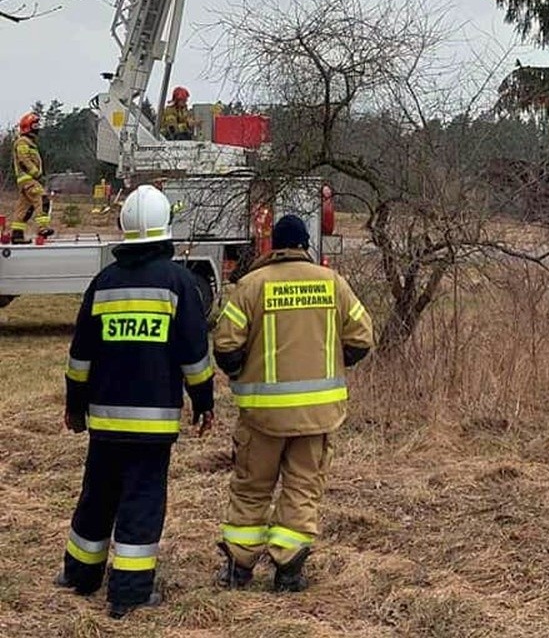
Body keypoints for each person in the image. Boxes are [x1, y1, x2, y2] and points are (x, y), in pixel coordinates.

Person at [56, 184, 215, 620]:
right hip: (153, 428)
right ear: (165, 227)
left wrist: (74, 406)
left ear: (124, 228)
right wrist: (204, 402)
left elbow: (79, 357)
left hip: (105, 423)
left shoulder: (103, 284)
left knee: (97, 496)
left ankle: (79, 575)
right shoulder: (179, 283)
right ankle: (128, 592)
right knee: (141, 504)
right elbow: (194, 356)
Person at [213, 213, 373, 592]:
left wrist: (241, 372)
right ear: (305, 246)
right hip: (318, 417)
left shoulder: (251, 286)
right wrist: (336, 360)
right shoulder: (332, 283)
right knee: (302, 491)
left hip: (261, 418)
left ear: (274, 246)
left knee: (252, 490)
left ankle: (239, 571)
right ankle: (288, 573)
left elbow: (225, 345)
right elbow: (362, 337)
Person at [11, 110, 53, 243]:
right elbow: (24, 160)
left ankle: (17, 236)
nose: (37, 129)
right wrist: (36, 173)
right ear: (27, 127)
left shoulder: (29, 142)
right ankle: (43, 228)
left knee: (24, 209)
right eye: (35, 126)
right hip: (29, 180)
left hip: (27, 181)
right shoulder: (23, 142)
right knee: (43, 199)